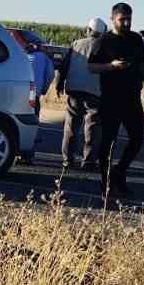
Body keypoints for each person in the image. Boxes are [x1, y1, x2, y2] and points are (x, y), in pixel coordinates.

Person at [90, 2, 144, 204]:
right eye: (122, 19)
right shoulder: (103, 41)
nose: (126, 23)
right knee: (108, 142)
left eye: (129, 19)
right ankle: (106, 183)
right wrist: (111, 66)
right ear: (113, 18)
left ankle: (119, 172)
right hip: (110, 99)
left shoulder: (136, 39)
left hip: (132, 99)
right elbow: (91, 66)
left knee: (137, 138)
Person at [55, 18, 105, 172]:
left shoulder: (76, 44)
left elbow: (63, 67)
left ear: (88, 30)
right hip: (95, 92)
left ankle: (67, 161)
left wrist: (59, 84)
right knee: (93, 126)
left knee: (71, 125)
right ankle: (88, 161)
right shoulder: (105, 47)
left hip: (74, 89)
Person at [17, 41, 54, 163]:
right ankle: (27, 155)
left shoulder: (20, 55)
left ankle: (15, 152)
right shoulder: (44, 58)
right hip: (34, 96)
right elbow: (50, 75)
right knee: (30, 125)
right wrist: (43, 89)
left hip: (17, 95)